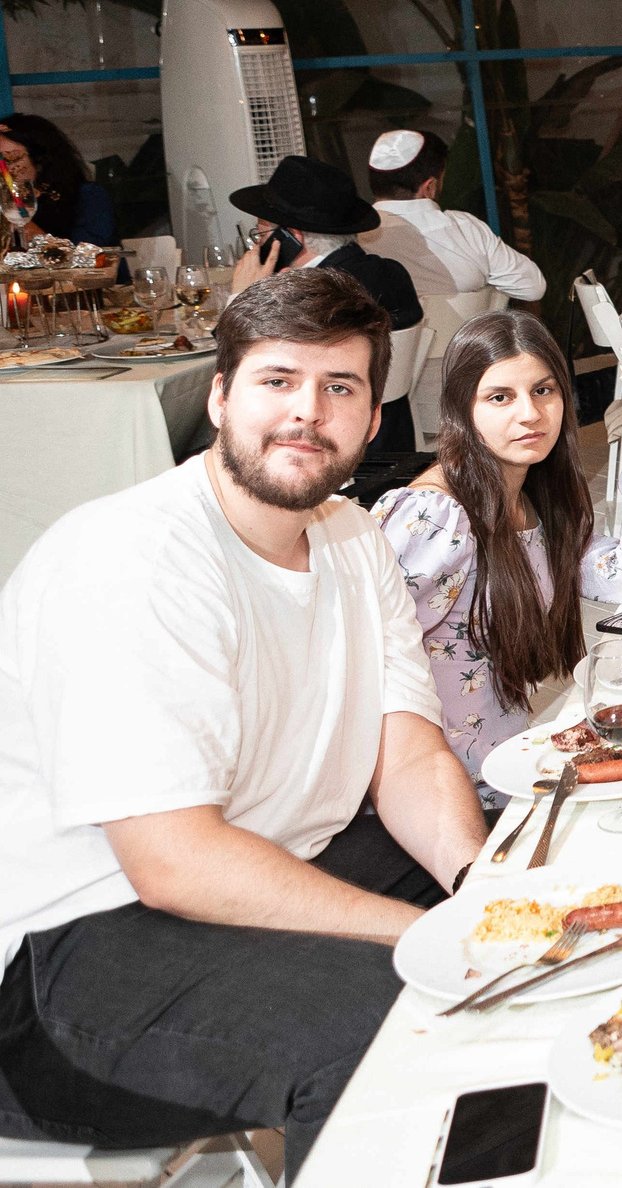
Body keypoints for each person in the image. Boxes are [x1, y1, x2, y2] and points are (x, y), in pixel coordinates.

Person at [0, 271, 485, 1176]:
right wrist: (428, 937)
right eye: (277, 381)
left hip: (259, 866)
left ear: (373, 420)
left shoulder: (350, 535)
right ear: (219, 397)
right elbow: (173, 861)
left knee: (533, 901)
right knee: (391, 1016)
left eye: (339, 387)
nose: (308, 411)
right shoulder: (133, 559)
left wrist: (484, 891)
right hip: (62, 954)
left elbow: (408, 756)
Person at [371, 311, 622, 797]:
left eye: (544, 390)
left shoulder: (537, 503)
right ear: (461, 409)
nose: (530, 414)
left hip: (509, 769)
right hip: (444, 797)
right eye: (500, 397)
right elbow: (364, 662)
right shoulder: (437, 518)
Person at [231, 154, 425, 459]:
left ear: (291, 237)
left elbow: (235, 366)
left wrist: (242, 296)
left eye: (262, 233)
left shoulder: (312, 295)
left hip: (325, 446)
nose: (257, 246)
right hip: (393, 441)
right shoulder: (390, 271)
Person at [363, 127, 546, 303]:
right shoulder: (465, 228)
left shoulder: (354, 239)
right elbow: (533, 287)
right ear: (430, 187)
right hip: (463, 333)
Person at [0, 113, 116, 246]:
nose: (4, 169)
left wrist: (28, 229)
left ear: (40, 162)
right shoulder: (3, 204)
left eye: (12, 158)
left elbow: (90, 253)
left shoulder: (88, 196)